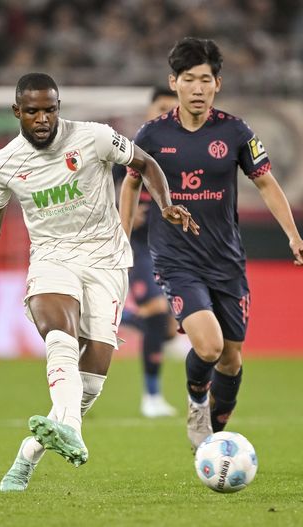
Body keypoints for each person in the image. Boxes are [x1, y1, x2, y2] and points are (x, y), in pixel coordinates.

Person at [0, 73, 197, 491]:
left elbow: (144, 162)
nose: (42, 118)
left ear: (59, 108)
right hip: (52, 259)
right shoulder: (4, 164)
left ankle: (27, 455)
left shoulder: (94, 138)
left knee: (90, 382)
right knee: (61, 334)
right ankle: (72, 426)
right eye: (33, 110)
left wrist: (166, 204)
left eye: (50, 109)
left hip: (106, 261)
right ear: (17, 111)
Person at [120, 38, 303, 451]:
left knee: (231, 358)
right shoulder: (153, 135)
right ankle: (196, 406)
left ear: (217, 84)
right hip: (175, 259)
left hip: (226, 261)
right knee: (207, 346)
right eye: (188, 79)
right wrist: (121, 240)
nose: (197, 88)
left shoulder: (235, 131)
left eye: (205, 80)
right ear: (174, 83)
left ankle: (215, 430)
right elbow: (130, 184)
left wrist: (294, 236)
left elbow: (265, 183)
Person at [114, 86, 181, 418]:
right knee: (157, 313)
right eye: (161, 108)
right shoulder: (129, 154)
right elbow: (107, 192)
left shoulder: (185, 155)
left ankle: (114, 320)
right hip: (139, 247)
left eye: (172, 109)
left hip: (173, 248)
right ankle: (151, 397)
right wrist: (120, 209)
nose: (165, 114)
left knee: (165, 328)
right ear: (149, 112)